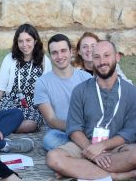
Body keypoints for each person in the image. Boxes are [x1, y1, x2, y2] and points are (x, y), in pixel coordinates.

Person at [46, 40, 136, 180]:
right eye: (97, 57)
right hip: (84, 145)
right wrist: (92, 151)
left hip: (116, 148)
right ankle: (116, 176)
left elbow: (130, 132)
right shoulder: (80, 90)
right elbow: (74, 128)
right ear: (91, 60)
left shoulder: (131, 92)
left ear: (117, 57)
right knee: (53, 158)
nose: (102, 61)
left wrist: (102, 146)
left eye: (107, 55)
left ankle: (79, 169)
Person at [0, 23, 52, 133]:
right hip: (10, 102)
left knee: (29, 125)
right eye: (20, 41)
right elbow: (0, 87)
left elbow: (48, 90)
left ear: (35, 41)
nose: (24, 44)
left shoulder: (44, 61)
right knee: (5, 116)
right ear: (16, 43)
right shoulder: (9, 59)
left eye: (28, 40)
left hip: (32, 106)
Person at [34, 34, 91, 151]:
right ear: (50, 56)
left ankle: (75, 149)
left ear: (71, 52)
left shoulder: (86, 78)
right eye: (54, 52)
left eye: (63, 51)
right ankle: (85, 148)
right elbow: (51, 120)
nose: (59, 56)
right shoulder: (42, 82)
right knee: (49, 140)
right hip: (60, 132)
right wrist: (75, 129)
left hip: (86, 129)